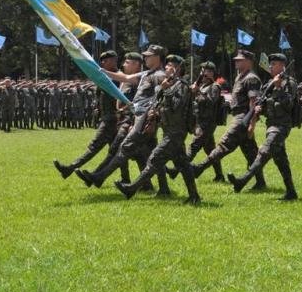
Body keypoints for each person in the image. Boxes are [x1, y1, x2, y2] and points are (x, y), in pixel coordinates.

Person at [77, 44, 170, 195]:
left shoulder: (160, 75)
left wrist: (152, 118)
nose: (145, 58)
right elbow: (126, 78)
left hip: (145, 119)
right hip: (139, 118)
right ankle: (163, 189)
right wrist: (103, 71)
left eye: (149, 56)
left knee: (125, 148)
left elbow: (163, 97)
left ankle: (99, 177)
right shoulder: (148, 73)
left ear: (157, 58)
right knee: (153, 154)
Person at [115, 54, 201, 205]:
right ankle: (194, 196)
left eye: (169, 66)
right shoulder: (171, 84)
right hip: (170, 131)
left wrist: (166, 91)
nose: (166, 68)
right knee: (183, 165)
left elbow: (176, 106)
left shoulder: (181, 86)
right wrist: (162, 93)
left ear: (176, 68)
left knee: (155, 158)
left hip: (176, 132)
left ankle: (131, 188)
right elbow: (159, 102)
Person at [189, 50, 265, 189]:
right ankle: (260, 182)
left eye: (240, 60)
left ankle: (199, 168)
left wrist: (251, 124)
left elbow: (254, 103)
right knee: (251, 152)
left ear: (249, 61)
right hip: (238, 116)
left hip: (243, 117)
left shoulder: (251, 78)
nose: (236, 61)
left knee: (224, 144)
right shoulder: (240, 77)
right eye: (236, 59)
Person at [228, 53, 297, 201]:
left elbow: (289, 105)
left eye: (273, 64)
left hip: (281, 126)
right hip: (271, 125)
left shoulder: (289, 83)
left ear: (282, 66)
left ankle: (242, 181)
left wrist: (279, 88)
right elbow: (267, 105)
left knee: (264, 151)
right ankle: (291, 192)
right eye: (270, 64)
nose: (270, 67)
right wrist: (260, 109)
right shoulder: (269, 83)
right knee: (281, 160)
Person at [54, 51, 121, 179]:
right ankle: (117, 178)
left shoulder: (118, 77)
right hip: (107, 118)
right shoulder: (103, 77)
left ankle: (70, 168)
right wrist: (97, 108)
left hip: (112, 119)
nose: (104, 63)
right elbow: (100, 96)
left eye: (111, 60)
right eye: (105, 61)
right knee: (117, 151)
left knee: (95, 147)